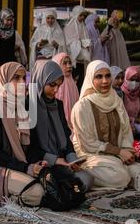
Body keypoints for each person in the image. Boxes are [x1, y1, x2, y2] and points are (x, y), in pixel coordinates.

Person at [0, 62, 46, 207]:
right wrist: (27, 168)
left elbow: (30, 146)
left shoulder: (22, 108)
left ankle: (17, 194)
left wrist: (35, 163)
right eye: (16, 78)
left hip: (19, 166)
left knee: (50, 180)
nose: (21, 83)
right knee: (37, 192)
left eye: (23, 78)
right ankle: (4, 198)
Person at [71, 60, 140, 189]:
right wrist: (118, 152)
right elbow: (87, 143)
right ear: (90, 79)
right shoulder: (82, 106)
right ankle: (79, 171)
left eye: (107, 76)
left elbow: (126, 131)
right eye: (99, 77)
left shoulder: (116, 101)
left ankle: (120, 170)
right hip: (91, 155)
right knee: (120, 177)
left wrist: (127, 151)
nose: (105, 81)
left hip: (117, 155)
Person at [29, 60, 93, 191]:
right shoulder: (28, 105)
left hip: (62, 160)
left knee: (87, 179)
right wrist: (55, 160)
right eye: (52, 85)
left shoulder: (57, 104)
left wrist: (72, 159)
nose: (56, 90)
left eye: (59, 85)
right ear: (41, 81)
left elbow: (65, 133)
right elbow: (29, 147)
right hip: (41, 162)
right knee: (62, 184)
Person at [63, 6, 91, 88]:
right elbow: (67, 43)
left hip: (82, 60)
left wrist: (87, 44)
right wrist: (79, 43)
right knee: (72, 80)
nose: (82, 18)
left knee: (81, 81)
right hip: (72, 60)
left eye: (83, 16)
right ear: (75, 15)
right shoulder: (68, 27)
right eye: (80, 15)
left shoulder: (83, 27)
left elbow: (86, 40)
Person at [52, 53, 79, 127]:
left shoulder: (72, 83)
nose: (69, 66)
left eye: (70, 63)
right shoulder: (56, 84)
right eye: (64, 63)